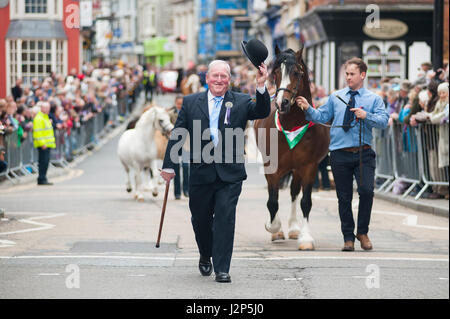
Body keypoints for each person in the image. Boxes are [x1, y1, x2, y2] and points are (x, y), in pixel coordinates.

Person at [160, 60, 270, 283]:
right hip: (201, 172)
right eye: (215, 76)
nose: (219, 80)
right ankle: (204, 253)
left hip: (230, 174)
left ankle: (222, 268)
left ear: (229, 80)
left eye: (224, 76)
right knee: (200, 220)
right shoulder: (191, 102)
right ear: (207, 78)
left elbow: (262, 110)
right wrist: (169, 164)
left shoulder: (240, 100)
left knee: (225, 219)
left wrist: (261, 86)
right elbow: (178, 133)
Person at [296, 57, 389, 252]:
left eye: (352, 74)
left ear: (362, 75)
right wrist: (307, 108)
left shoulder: (373, 99)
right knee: (343, 197)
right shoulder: (335, 97)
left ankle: (362, 232)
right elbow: (321, 117)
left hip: (364, 153)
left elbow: (383, 121)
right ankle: (348, 237)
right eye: (346, 74)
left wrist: (366, 116)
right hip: (339, 154)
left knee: (366, 191)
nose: (348, 77)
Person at [167, 95, 190, 199]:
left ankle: (186, 189)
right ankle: (177, 192)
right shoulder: (171, 114)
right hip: (175, 144)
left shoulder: (188, 112)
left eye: (182, 104)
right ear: (175, 103)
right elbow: (167, 127)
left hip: (185, 142)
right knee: (175, 168)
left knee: (186, 166)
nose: (180, 106)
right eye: (178, 104)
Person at [32, 101, 56, 185]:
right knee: (43, 162)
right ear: (42, 108)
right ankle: (41, 179)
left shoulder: (45, 117)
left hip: (47, 144)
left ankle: (43, 178)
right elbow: (38, 133)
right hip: (43, 145)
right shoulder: (39, 118)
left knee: (45, 162)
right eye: (46, 108)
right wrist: (42, 143)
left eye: (48, 108)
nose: (48, 109)